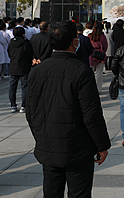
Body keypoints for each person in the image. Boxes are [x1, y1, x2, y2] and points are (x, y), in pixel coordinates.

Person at [26, 21, 110, 198]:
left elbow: (30, 112)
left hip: (49, 144)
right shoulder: (81, 71)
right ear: (74, 42)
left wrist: (40, 136)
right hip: (77, 148)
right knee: (79, 193)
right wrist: (101, 145)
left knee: (51, 192)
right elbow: (91, 114)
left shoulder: (37, 71)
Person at [7, 26, 34, 113]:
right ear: (23, 34)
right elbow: (30, 54)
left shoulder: (11, 43)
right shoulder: (26, 43)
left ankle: (13, 105)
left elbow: (9, 53)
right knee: (25, 87)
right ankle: (23, 106)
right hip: (24, 67)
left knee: (12, 88)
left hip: (13, 67)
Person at [88, 21, 108, 93]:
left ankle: (90, 89)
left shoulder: (89, 36)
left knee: (90, 74)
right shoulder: (103, 37)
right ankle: (98, 89)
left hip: (91, 55)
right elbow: (105, 46)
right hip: (100, 55)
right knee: (99, 74)